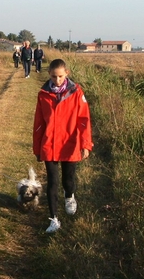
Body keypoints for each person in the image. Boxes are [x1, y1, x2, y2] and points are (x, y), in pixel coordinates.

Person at [32, 59, 93, 233]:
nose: (57, 80)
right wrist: (37, 148)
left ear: (67, 73)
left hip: (70, 143)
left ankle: (69, 195)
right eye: (53, 77)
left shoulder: (76, 93)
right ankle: (53, 219)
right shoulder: (43, 94)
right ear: (49, 74)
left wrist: (85, 144)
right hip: (49, 144)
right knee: (52, 182)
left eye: (60, 76)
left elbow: (84, 120)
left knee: (68, 179)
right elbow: (38, 124)